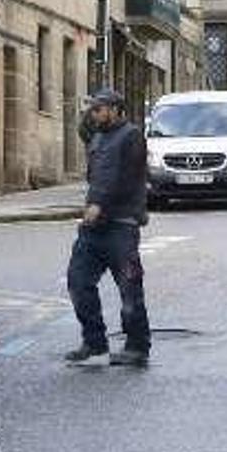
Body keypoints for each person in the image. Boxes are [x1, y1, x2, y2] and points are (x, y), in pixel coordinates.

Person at [64, 89, 152, 366]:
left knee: (129, 288)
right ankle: (94, 341)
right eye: (92, 109)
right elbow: (85, 139)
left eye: (99, 109)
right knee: (78, 282)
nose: (94, 114)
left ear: (116, 109)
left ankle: (137, 345)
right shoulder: (98, 136)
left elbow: (124, 177)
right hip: (94, 228)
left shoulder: (132, 136)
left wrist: (100, 203)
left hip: (122, 226)